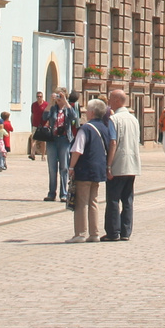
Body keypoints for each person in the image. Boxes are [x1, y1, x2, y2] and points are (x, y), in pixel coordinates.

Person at [67, 97, 112, 242]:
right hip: (98, 169)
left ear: (92, 112)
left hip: (85, 168)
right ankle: (94, 233)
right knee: (93, 201)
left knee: (81, 202)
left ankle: (80, 233)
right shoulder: (105, 128)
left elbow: (77, 150)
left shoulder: (86, 128)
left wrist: (71, 167)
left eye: (87, 110)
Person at [102, 88, 140, 241]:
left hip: (118, 164)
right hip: (132, 165)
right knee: (128, 199)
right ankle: (126, 231)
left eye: (111, 99)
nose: (109, 102)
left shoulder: (114, 120)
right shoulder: (133, 119)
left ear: (117, 101)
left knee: (113, 199)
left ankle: (113, 232)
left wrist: (109, 165)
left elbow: (113, 142)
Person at [43, 89, 76, 202]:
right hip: (52, 140)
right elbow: (44, 117)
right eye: (57, 95)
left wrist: (66, 102)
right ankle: (51, 193)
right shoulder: (53, 108)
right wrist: (50, 102)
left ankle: (64, 193)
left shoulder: (68, 109)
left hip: (65, 140)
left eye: (60, 96)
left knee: (64, 167)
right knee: (52, 168)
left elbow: (74, 117)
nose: (58, 98)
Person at [28, 91, 48, 161]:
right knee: (33, 139)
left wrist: (47, 123)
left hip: (43, 125)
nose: (39, 98)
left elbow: (48, 115)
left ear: (42, 97)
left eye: (40, 96)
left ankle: (43, 155)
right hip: (35, 124)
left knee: (43, 141)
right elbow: (32, 114)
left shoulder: (46, 104)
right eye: (38, 96)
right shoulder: (34, 105)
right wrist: (32, 123)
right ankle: (32, 154)